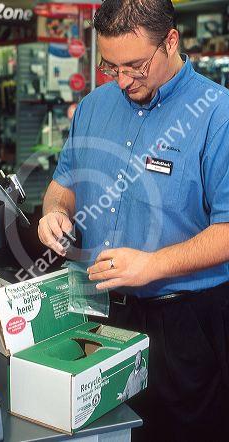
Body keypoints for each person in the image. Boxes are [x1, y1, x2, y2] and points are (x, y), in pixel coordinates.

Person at [38, 0, 229, 440]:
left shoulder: (217, 114)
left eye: (136, 66)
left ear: (171, 41)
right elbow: (63, 181)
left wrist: (152, 265)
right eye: (110, 66)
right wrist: (54, 210)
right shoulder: (93, 107)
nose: (122, 80)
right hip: (95, 314)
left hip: (183, 329)